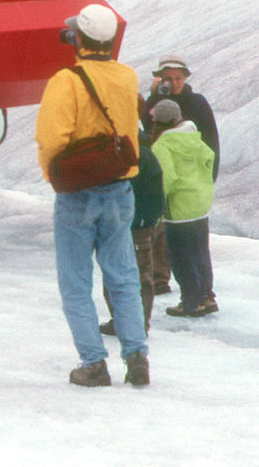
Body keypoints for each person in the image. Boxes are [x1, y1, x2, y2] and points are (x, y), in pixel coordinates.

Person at [36, 3, 149, 387]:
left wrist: (55, 175)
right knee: (123, 276)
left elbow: (52, 139)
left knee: (76, 282)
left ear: (78, 39)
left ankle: (94, 363)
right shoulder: (128, 76)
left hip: (78, 194)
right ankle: (136, 355)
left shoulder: (65, 80)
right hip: (120, 189)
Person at [145, 55, 220, 304]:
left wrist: (209, 178)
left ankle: (193, 295)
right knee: (175, 240)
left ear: (186, 78)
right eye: (168, 78)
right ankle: (163, 280)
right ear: (160, 79)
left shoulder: (197, 102)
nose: (174, 83)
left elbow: (211, 142)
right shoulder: (154, 101)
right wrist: (155, 97)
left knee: (182, 247)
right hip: (191, 190)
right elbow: (148, 126)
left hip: (182, 187)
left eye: (178, 78)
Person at [101, 94, 164, 337]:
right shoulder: (134, 144)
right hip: (126, 222)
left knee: (135, 274)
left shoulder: (133, 148)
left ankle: (136, 324)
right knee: (119, 272)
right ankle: (122, 320)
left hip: (134, 223)